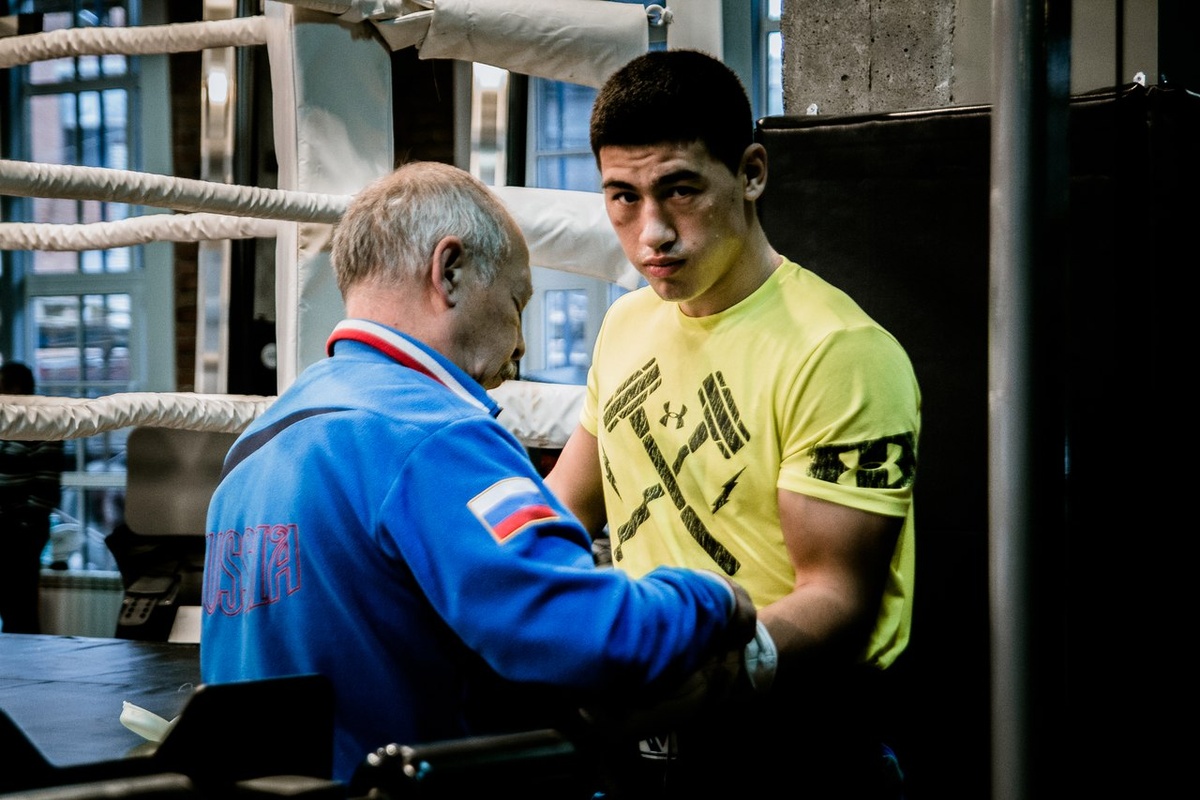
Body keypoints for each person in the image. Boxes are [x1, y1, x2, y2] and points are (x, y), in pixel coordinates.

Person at [199, 161, 758, 787]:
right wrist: (716, 602)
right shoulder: (434, 434)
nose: (522, 346)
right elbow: (578, 632)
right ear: (451, 270)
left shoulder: (253, 449)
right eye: (517, 302)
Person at [544, 50, 922, 798]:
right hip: (646, 735)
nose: (651, 232)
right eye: (622, 197)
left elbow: (838, 595)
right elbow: (563, 502)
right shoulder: (626, 324)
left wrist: (709, 671)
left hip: (797, 743)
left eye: (679, 190)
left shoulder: (837, 352)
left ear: (750, 173)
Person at [0, 361, 64, 634]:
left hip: (19, 530)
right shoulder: (6, 425)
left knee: (20, 607)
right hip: (8, 524)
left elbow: (46, 487)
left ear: (14, 390)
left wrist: (21, 525)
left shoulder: (40, 428)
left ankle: (26, 669)